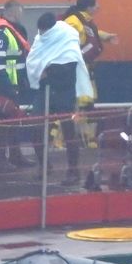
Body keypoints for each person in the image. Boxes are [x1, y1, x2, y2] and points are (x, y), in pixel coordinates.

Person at [26, 13, 93, 187]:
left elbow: (69, 66)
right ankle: (44, 164)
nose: (40, 34)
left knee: (69, 131)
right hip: (44, 91)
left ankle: (73, 170)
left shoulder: (68, 37)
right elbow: (33, 59)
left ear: (51, 28)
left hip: (64, 92)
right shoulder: (41, 39)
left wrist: (48, 71)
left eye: (43, 31)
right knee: (35, 126)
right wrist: (43, 71)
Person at [0, 0, 33, 172]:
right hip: (3, 86)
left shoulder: (12, 31)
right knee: (1, 122)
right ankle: (0, 160)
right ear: (14, 12)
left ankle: (15, 155)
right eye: (20, 12)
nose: (21, 16)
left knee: (13, 120)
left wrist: (21, 83)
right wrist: (7, 87)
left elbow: (17, 61)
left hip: (13, 85)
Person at [61, 0, 118, 106]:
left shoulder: (84, 20)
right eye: (96, 4)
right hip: (76, 67)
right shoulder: (73, 21)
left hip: (85, 66)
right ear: (88, 7)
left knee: (88, 99)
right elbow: (65, 40)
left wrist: (106, 36)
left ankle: (85, 117)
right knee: (81, 101)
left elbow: (91, 33)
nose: (98, 7)